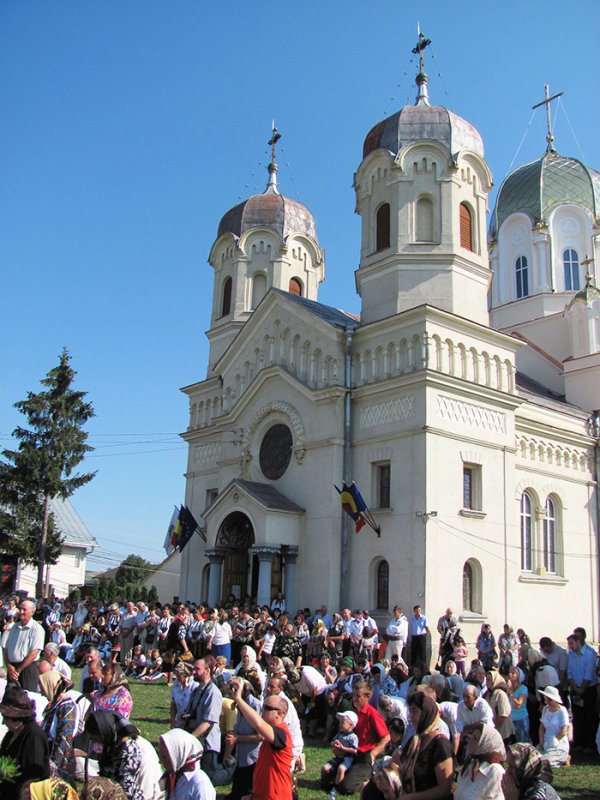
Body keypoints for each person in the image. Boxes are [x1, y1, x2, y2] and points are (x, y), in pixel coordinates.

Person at [229, 676, 293, 800]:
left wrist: (238, 699)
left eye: (267, 708)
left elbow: (257, 723)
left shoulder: (281, 734)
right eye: (263, 707)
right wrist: (253, 794)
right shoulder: (270, 736)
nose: (262, 710)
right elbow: (265, 769)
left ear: (280, 714)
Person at [324, 680, 389, 794]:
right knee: (326, 781)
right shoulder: (354, 713)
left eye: (358, 696)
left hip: (364, 756)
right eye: (353, 695)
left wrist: (373, 754)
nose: (354, 698)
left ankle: (368, 779)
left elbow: (386, 737)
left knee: (345, 788)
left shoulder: (372, 714)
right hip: (351, 754)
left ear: (368, 696)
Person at [396, 691, 454, 799]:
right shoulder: (415, 741)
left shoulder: (440, 744)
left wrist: (413, 798)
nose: (411, 716)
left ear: (426, 713)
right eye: (410, 712)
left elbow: (445, 789)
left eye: (415, 711)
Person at [185, 658, 232, 785]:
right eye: (193, 669)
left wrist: (190, 738)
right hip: (196, 741)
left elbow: (208, 722)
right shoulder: (195, 691)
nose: (193, 672)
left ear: (207, 671)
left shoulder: (213, 692)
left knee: (209, 779)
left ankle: (231, 770)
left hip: (208, 744)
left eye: (197, 669)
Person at [0, 685, 50, 797]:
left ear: (18, 718)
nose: (3, 722)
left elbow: (35, 775)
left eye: (6, 717)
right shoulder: (10, 734)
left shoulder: (34, 736)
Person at [84, 711, 143, 800]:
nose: (94, 742)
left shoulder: (129, 750)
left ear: (104, 732)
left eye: (95, 738)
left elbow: (126, 789)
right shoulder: (111, 745)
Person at [39, 670, 77, 785]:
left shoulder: (68, 708)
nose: (41, 692)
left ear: (51, 686)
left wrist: (52, 769)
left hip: (60, 764)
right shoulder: (54, 705)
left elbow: (63, 743)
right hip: (47, 757)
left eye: (43, 688)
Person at [158, 728, 216, 800]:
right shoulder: (174, 777)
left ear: (178, 756)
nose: (160, 761)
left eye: (164, 757)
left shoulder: (200, 783)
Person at [454, 722, 505, 800]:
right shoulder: (470, 765)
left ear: (486, 744)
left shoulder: (495, 773)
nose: (470, 741)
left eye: (475, 738)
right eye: (471, 737)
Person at [3, 599, 46, 691]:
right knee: (10, 699)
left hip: (27, 669)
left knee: (26, 698)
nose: (21, 612)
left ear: (32, 612)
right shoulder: (14, 627)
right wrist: (9, 666)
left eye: (24, 610)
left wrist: (18, 670)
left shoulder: (37, 629)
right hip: (12, 668)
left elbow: (34, 652)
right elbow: (6, 648)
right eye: (20, 609)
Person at [566, 631, 598, 752]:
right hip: (575, 689)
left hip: (588, 689)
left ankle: (590, 744)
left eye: (571, 643)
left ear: (578, 642)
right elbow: (569, 673)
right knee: (577, 716)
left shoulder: (589, 655)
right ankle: (579, 742)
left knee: (589, 716)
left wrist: (582, 689)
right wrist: (575, 688)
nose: (570, 646)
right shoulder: (571, 655)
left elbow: (588, 675)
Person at [321, 709, 359, 787]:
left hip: (347, 758)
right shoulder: (340, 734)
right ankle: (324, 783)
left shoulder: (353, 737)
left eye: (343, 722)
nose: (340, 724)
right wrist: (334, 743)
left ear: (351, 725)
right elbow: (332, 742)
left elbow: (355, 750)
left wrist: (343, 748)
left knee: (341, 769)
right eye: (340, 722)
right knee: (324, 768)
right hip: (337, 757)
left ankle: (338, 785)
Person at [538, 686, 570, 768]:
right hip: (545, 742)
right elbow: (542, 727)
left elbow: (564, 730)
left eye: (550, 699)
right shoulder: (545, 709)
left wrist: (554, 741)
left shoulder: (562, 710)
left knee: (545, 763)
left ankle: (564, 759)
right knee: (534, 759)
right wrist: (541, 741)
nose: (547, 701)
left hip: (558, 743)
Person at [484, 670, 513, 744]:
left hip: (504, 732)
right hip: (493, 732)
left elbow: (503, 715)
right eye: (486, 679)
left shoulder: (500, 694)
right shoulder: (487, 695)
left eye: (489, 680)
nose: (487, 682)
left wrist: (493, 727)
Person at [507, 666, 530, 743]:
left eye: (513, 673)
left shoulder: (523, 688)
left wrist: (511, 692)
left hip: (521, 719)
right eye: (509, 672)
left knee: (522, 743)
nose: (510, 674)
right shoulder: (507, 688)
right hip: (511, 719)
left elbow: (518, 704)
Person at [170, 661, 195, 728]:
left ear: (185, 674)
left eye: (179, 674)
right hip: (180, 720)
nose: (176, 676)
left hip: (192, 722)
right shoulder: (176, 683)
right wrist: (172, 720)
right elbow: (173, 703)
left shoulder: (194, 685)